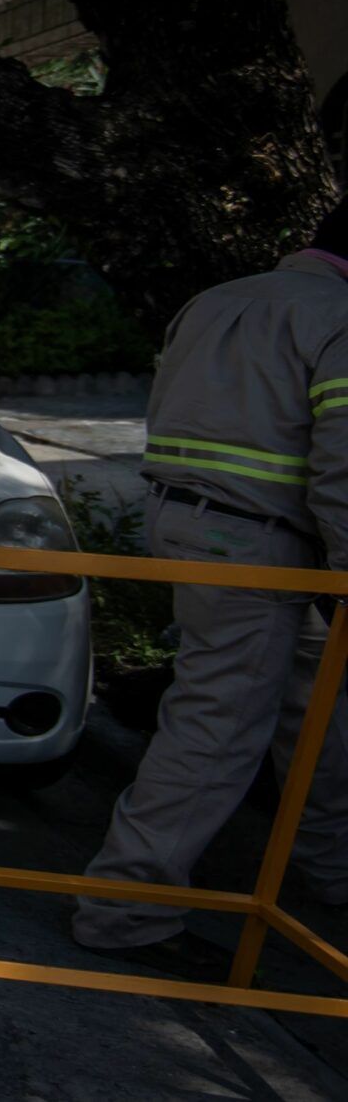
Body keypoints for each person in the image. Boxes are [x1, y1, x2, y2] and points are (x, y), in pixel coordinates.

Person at [71, 197, 348, 981]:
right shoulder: (340, 320)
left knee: (313, 705)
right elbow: (343, 468)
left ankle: (331, 869)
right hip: (264, 546)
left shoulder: (221, 300)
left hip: (190, 524)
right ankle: (124, 907)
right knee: (221, 727)